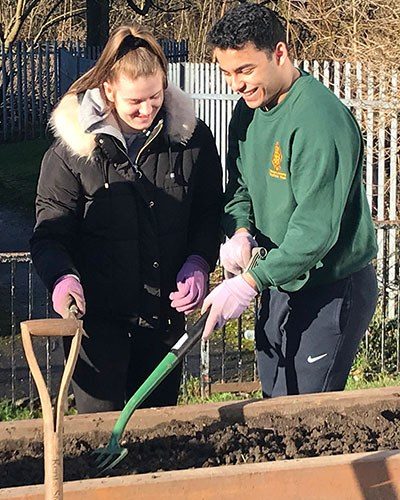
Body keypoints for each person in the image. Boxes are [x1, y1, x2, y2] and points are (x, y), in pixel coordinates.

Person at [30, 25, 222, 413]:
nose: (147, 110)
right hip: (97, 328)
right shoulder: (72, 153)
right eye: (135, 101)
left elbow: (208, 213)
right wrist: (63, 278)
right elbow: (50, 233)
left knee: (158, 434)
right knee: (99, 436)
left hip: (163, 324)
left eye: (155, 96)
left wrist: (199, 261)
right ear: (108, 91)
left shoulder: (192, 141)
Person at [202, 4, 378, 397]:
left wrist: (249, 282)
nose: (236, 84)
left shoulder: (319, 121)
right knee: (273, 399)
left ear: (280, 53)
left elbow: (314, 231)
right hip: (279, 279)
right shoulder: (247, 113)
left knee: (303, 410)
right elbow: (241, 187)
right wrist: (241, 232)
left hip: (330, 285)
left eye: (245, 70)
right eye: (227, 73)